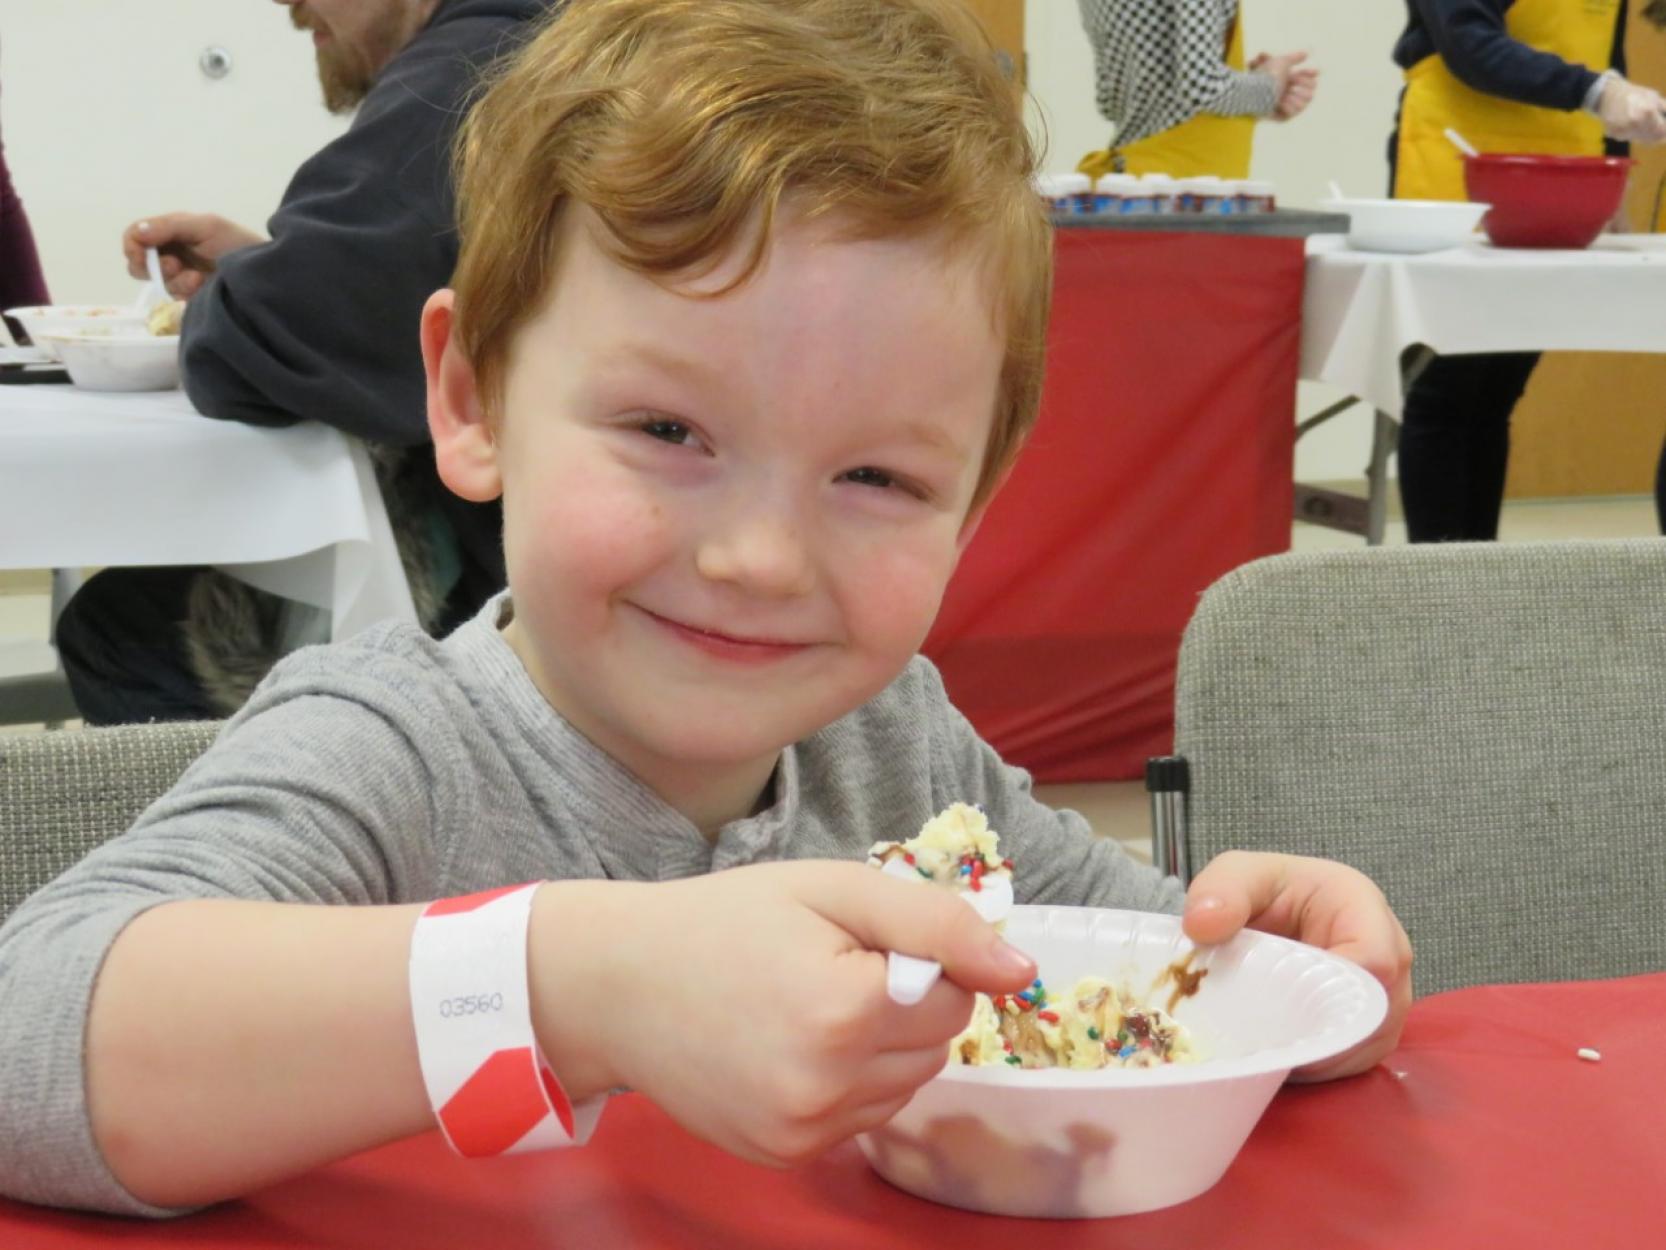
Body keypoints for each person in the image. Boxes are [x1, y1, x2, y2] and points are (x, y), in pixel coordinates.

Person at [0, 0, 1412, 1217]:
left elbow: (1113, 977)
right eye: (669, 430)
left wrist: (1278, 973)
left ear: (973, 503)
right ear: (473, 399)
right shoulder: (388, 751)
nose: (757, 557)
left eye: (873, 473)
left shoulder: (896, 748)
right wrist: (577, 984)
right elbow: (29, 1042)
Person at [51, 0, 558, 727]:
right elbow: (379, 291)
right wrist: (262, 266)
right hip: (569, 548)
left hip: (508, 595)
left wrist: (234, 296)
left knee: (119, 627)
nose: (286, 4)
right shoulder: (558, 39)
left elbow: (271, 336)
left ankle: (274, 832)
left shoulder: (464, 71)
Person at [1392, 0, 1666, 542]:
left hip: (1562, 177)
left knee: (1494, 393)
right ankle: (1439, 597)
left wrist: (1614, 166)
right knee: (1446, 395)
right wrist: (1599, 93)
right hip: (1460, 173)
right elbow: (1467, 41)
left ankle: (1482, 583)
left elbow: (1603, 53)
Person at [1075, 0, 1319, 180]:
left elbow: (1110, 102)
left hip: (1130, 183)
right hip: (1190, 192)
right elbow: (1200, 86)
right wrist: (1271, 86)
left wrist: (1253, 96)